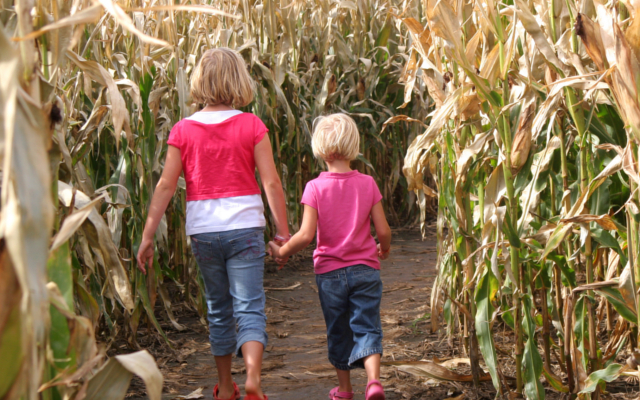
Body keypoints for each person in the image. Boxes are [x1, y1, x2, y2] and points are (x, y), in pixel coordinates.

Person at [136, 48, 289, 400]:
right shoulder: (252, 125)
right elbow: (271, 183)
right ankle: (253, 380)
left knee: (218, 308)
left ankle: (224, 386)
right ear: (239, 80)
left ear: (199, 81)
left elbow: (165, 185)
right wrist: (282, 232)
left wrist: (147, 235)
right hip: (245, 227)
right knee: (249, 305)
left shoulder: (183, 129)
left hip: (203, 231)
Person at [268, 114, 391, 400]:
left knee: (338, 330)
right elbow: (383, 230)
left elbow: (305, 235)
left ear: (320, 149)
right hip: (365, 270)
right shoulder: (368, 183)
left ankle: (345, 390)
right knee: (367, 326)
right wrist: (383, 248)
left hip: (330, 274)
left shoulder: (314, 187)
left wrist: (282, 250)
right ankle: (373, 382)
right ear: (354, 147)